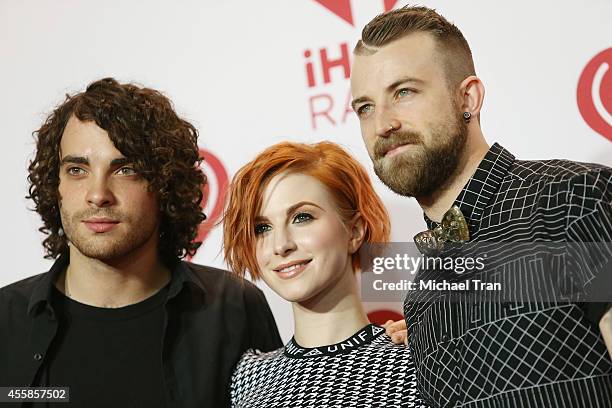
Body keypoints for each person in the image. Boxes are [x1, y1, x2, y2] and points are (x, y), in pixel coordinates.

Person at [350, 6, 612, 408]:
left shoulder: (578, 199)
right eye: (365, 107)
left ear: (467, 97)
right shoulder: (420, 298)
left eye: (404, 92)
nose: (383, 123)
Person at [0, 78, 282, 407]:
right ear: (55, 184)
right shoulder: (6, 321)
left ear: (164, 184)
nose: (97, 195)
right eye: (77, 170)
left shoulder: (232, 308)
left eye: (126, 170)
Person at [223, 141, 427, 407]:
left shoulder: (416, 360)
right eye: (262, 228)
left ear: (354, 232)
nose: (281, 245)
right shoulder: (248, 376)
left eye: (302, 217)